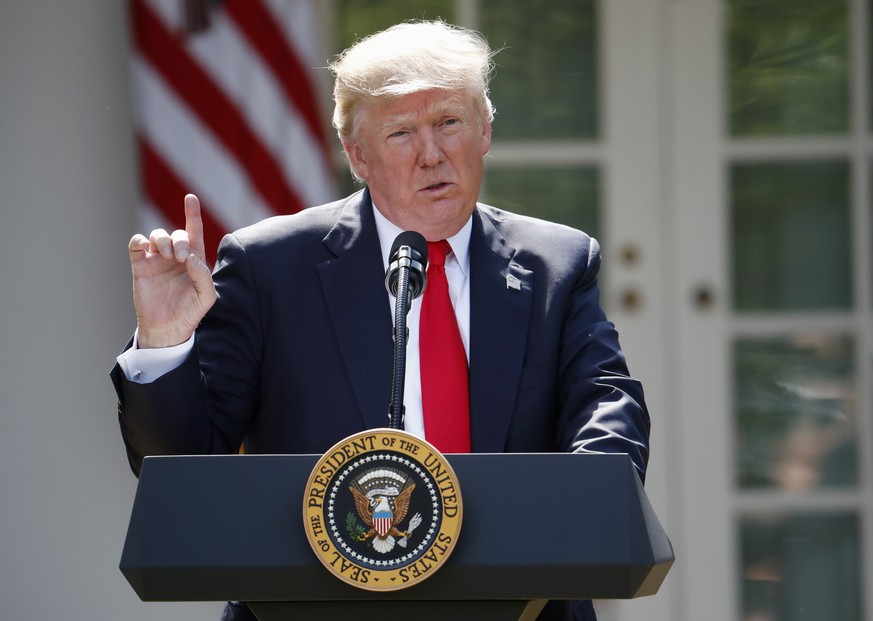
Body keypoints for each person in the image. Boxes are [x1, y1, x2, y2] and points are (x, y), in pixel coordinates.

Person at [111, 20, 650, 621]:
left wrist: (586, 499)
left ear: (485, 130)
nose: (432, 153)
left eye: (449, 122)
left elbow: (605, 405)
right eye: (401, 133)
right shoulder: (270, 266)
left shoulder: (558, 262)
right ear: (358, 155)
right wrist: (163, 340)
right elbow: (186, 468)